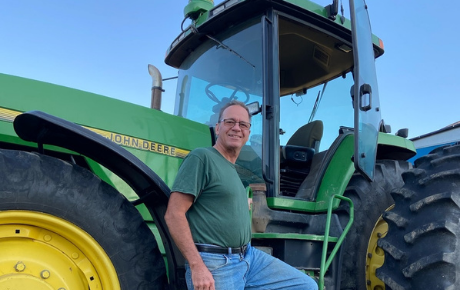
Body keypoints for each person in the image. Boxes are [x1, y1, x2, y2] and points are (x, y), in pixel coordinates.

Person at [165, 100, 317, 290]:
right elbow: (174, 214)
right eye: (230, 122)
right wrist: (197, 267)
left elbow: (215, 200)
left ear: (248, 133)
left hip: (249, 257)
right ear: (218, 128)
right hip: (217, 263)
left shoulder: (233, 169)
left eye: (243, 124)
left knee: (305, 285)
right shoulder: (202, 157)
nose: (237, 128)